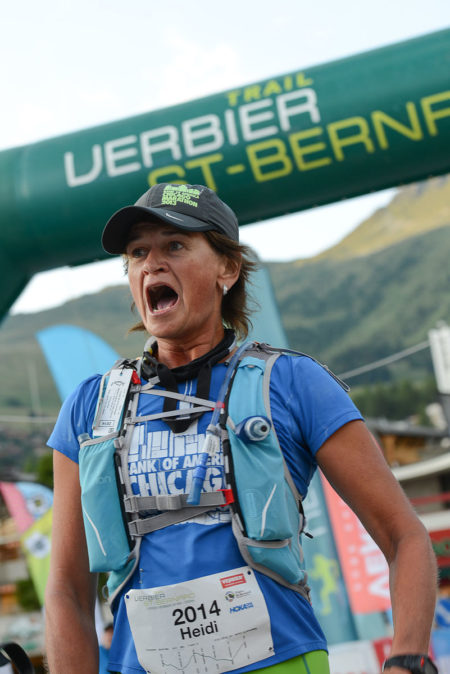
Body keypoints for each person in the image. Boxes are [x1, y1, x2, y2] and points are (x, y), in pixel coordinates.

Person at [44, 183, 438, 674]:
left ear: (227, 269)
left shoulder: (295, 382)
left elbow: (404, 536)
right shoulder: (89, 406)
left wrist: (406, 661)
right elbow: (66, 590)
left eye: (175, 245)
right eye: (137, 252)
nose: (151, 264)